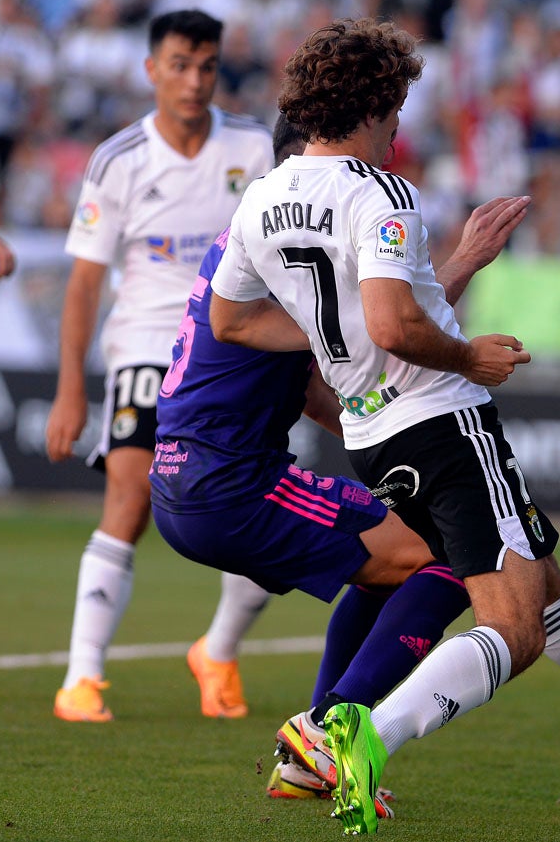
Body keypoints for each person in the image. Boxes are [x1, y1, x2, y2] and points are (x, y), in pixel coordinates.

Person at [207, 18, 560, 836]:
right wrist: (465, 353)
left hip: (371, 432)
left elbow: (231, 321)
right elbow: (393, 324)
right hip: (439, 419)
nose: (401, 124)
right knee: (509, 629)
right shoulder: (381, 193)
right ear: (373, 104)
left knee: (535, 580)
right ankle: (366, 734)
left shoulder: (260, 199)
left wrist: (331, 334)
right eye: (397, 105)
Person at [151, 116, 515, 812]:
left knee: (383, 561)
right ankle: (328, 727)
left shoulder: (250, 241)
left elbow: (337, 377)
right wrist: (463, 264)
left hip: (189, 475)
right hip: (228, 482)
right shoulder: (293, 234)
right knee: (444, 558)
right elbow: (384, 332)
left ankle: (310, 754)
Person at [44, 9, 275, 723]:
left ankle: (218, 650)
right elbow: (84, 281)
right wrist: (69, 391)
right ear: (151, 69)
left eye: (207, 66)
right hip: (147, 342)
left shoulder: (256, 147)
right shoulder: (119, 160)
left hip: (238, 343)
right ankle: (81, 677)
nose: (195, 80)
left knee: (257, 504)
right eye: (179, 64)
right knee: (131, 490)